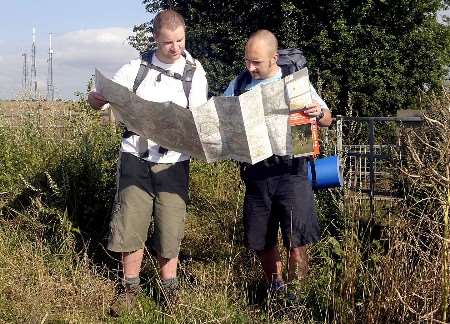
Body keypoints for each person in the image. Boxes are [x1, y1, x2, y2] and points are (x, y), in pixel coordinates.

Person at [88, 9, 208, 315]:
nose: (176, 47)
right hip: (135, 157)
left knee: (170, 224)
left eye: (180, 40)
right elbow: (99, 98)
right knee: (131, 222)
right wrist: (97, 98)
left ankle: (169, 291)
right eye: (169, 42)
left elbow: (199, 119)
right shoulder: (135, 68)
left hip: (174, 162)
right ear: (155, 39)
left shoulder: (195, 72)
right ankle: (129, 288)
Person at [223, 29, 332, 302]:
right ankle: (276, 289)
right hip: (257, 172)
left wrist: (318, 113)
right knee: (261, 239)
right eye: (247, 60)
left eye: (256, 62)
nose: (250, 67)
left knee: (298, 238)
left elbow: (328, 117)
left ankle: (297, 296)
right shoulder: (239, 85)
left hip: (293, 169)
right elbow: (222, 119)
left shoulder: (294, 82)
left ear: (273, 58)